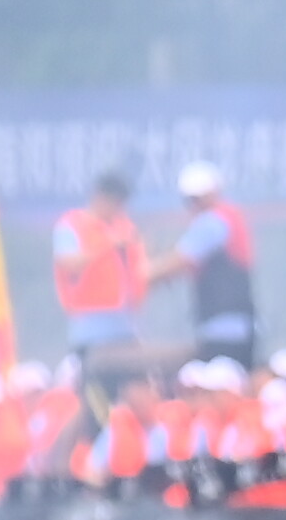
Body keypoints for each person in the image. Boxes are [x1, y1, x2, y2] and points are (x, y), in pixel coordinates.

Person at [53, 171, 150, 410]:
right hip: (90, 330)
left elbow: (140, 269)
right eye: (114, 203)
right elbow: (68, 262)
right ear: (99, 197)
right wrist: (108, 245)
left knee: (130, 397)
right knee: (96, 401)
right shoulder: (72, 225)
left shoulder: (125, 227)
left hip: (126, 329)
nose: (117, 210)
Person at [171, 162, 258, 368]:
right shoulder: (227, 218)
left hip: (223, 329)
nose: (194, 205)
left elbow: (180, 260)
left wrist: (141, 277)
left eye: (197, 198)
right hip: (240, 325)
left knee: (221, 382)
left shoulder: (212, 222)